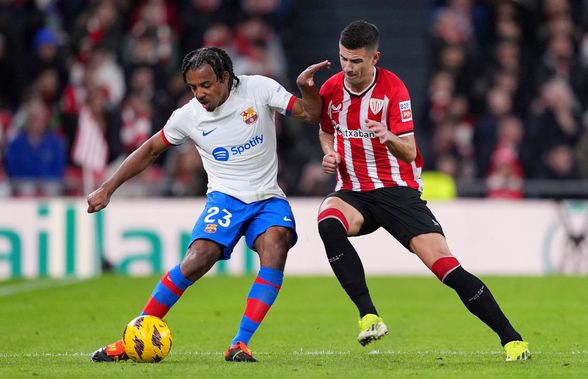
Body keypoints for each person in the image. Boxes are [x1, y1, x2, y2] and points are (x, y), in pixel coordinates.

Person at [88, 47, 330, 363]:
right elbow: (149, 150)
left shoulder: (259, 89)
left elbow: (311, 114)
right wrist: (108, 188)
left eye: (206, 85)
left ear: (225, 77)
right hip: (225, 198)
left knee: (276, 245)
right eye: (193, 87)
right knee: (198, 258)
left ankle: (239, 343)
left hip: (267, 196)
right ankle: (131, 337)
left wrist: (306, 88)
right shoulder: (188, 116)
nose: (199, 94)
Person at [315, 20, 530, 361]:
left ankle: (512, 338)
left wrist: (389, 137)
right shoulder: (330, 89)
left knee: (446, 268)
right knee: (328, 223)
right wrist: (329, 152)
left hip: (398, 191)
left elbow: (411, 152)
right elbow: (326, 130)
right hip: (353, 191)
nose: (348, 68)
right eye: (344, 59)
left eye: (356, 61)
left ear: (375, 58)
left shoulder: (393, 90)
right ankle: (369, 315)